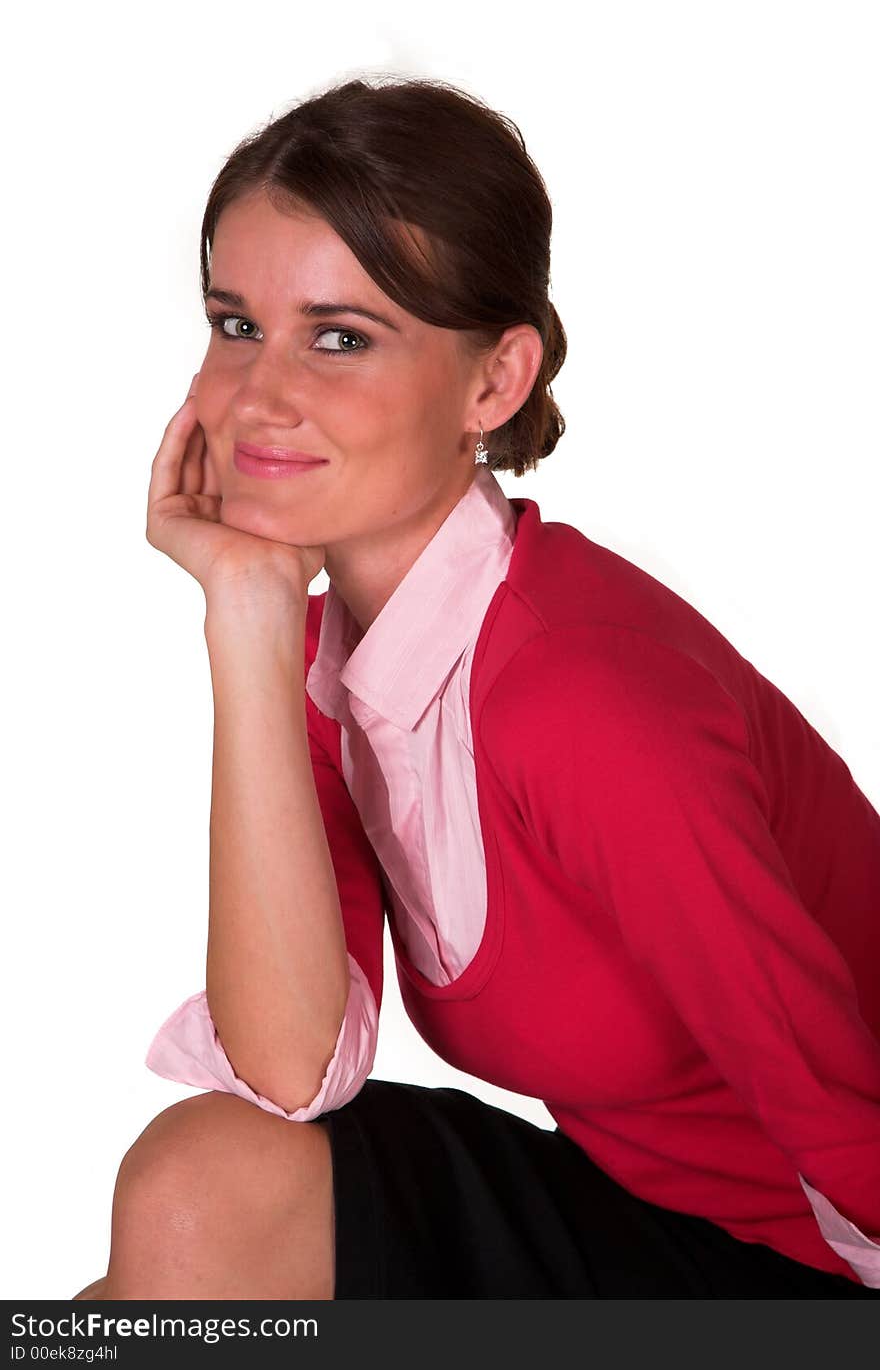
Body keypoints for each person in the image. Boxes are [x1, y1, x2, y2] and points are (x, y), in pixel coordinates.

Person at [73, 75, 880, 1301]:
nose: (255, 395)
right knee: (201, 1188)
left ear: (495, 382)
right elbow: (289, 1072)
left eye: (339, 336)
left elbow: (845, 1112)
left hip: (820, 1264)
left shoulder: (580, 699)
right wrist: (241, 615)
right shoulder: (329, 661)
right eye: (237, 324)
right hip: (647, 1222)